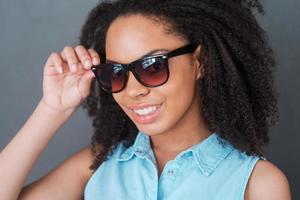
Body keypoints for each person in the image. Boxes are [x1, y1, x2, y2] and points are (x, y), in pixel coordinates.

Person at [0, 0, 292, 199]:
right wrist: (53, 108)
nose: (132, 90)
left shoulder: (258, 184)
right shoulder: (97, 165)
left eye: (152, 67)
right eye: (116, 73)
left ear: (200, 62)